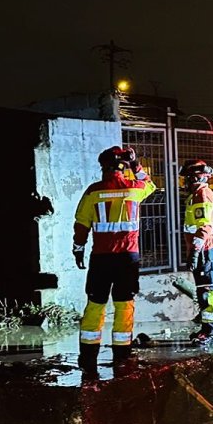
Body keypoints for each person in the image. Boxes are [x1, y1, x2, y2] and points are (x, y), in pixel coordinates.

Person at [72, 145, 157, 377]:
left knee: (95, 305)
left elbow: (81, 225)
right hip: (128, 258)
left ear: (104, 167)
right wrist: (136, 165)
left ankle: (88, 359)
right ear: (123, 167)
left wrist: (78, 250)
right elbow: (151, 185)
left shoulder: (94, 191)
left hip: (101, 258)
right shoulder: (134, 188)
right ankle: (122, 357)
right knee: (124, 305)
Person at [181, 159, 213, 345]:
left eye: (187, 179)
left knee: (207, 292)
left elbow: (204, 226)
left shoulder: (201, 195)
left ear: (194, 178)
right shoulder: (197, 194)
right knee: (203, 291)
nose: (185, 183)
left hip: (205, 249)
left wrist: (195, 251)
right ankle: (207, 329)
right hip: (203, 249)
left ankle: (210, 332)